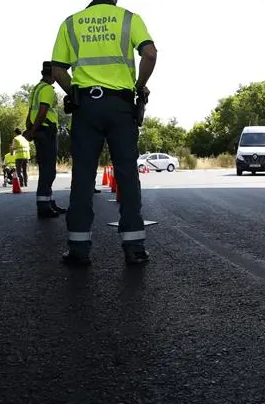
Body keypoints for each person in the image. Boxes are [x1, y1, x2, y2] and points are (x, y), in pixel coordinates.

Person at [51, 0, 157, 266]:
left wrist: (73, 93)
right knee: (126, 174)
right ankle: (134, 247)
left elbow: (58, 70)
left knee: (83, 176)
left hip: (86, 106)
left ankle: (78, 247)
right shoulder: (128, 19)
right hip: (120, 106)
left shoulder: (71, 23)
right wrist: (139, 86)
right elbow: (150, 54)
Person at [23, 61, 66, 218]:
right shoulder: (47, 89)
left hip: (38, 131)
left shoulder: (36, 88)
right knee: (49, 171)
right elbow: (42, 111)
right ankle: (44, 206)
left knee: (45, 168)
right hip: (46, 130)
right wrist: (32, 130)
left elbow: (30, 112)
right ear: (53, 73)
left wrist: (29, 130)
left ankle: (49, 201)